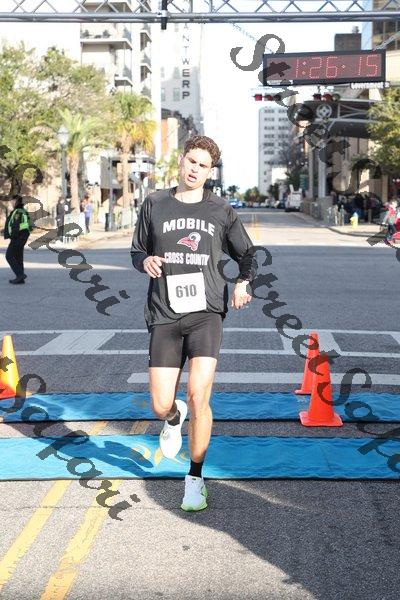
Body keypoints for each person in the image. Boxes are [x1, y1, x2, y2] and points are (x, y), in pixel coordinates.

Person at [130, 135, 257, 512]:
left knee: (199, 395)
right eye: (191, 161)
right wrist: (144, 262)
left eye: (203, 165)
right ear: (181, 161)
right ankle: (173, 419)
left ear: (210, 172)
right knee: (160, 404)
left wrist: (243, 282)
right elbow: (137, 250)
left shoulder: (221, 210)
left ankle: (195, 478)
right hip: (165, 313)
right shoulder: (155, 203)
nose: (195, 170)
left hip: (206, 313)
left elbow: (247, 253)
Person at [4, 194, 33, 284]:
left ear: (16, 201)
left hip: (18, 236)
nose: (11, 202)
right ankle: (20, 279)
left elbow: (16, 225)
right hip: (22, 235)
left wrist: (13, 236)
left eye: (12, 201)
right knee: (18, 257)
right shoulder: (22, 211)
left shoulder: (18, 212)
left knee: (9, 256)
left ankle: (20, 275)